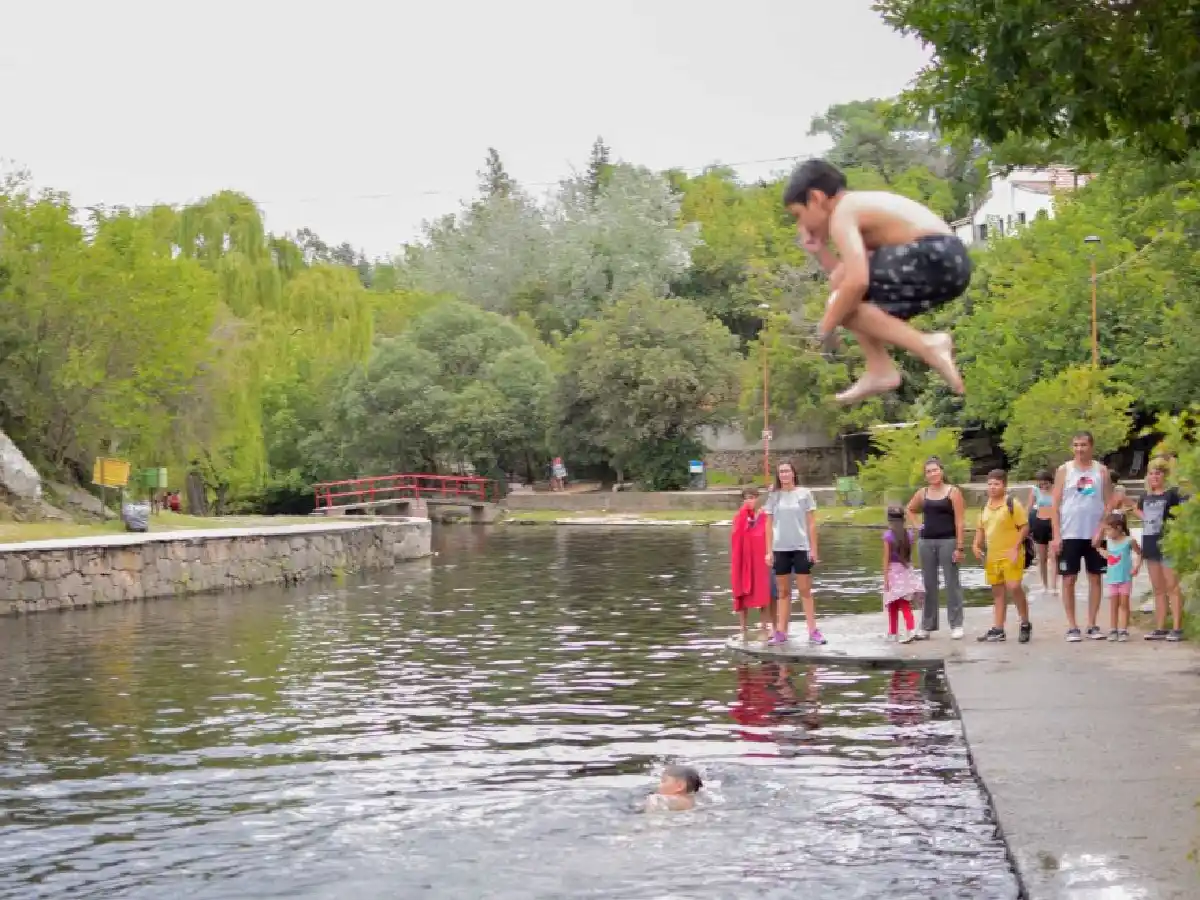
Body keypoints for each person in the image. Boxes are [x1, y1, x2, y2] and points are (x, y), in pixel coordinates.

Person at [783, 159, 971, 405]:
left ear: (816, 198)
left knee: (842, 303)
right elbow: (843, 278)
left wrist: (824, 329)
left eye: (799, 215)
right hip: (949, 265)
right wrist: (819, 251)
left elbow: (857, 282)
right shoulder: (858, 208)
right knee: (843, 299)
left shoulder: (843, 212)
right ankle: (881, 367)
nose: (801, 226)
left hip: (936, 255)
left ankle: (927, 346)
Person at [1050, 431, 1113, 642]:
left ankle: (1093, 624)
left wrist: (1101, 529)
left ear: (1091, 446)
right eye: (1076, 445)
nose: (1079, 449)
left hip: (1093, 533)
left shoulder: (1101, 471)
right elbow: (1055, 504)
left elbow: (1109, 503)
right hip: (1070, 533)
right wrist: (1056, 535)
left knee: (1095, 577)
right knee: (1069, 578)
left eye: (1083, 445)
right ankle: (1072, 626)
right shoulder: (1064, 470)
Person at [763, 460, 824, 645]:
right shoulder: (774, 496)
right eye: (781, 472)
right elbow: (768, 524)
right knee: (783, 592)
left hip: (801, 547)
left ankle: (813, 630)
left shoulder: (804, 494)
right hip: (780, 548)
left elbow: (811, 523)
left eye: (787, 471)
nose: (784, 475)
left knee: (805, 590)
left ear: (793, 473)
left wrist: (813, 549)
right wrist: (769, 551)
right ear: (778, 475)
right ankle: (781, 631)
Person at [905, 456, 966, 640]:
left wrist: (960, 546)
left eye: (935, 470)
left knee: (951, 583)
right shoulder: (922, 493)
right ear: (925, 475)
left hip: (948, 541)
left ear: (942, 471)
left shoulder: (953, 492)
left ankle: (956, 624)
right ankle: (927, 625)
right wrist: (917, 525)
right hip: (926, 542)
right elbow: (910, 509)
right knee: (928, 584)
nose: (932, 474)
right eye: (929, 471)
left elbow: (960, 521)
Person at [973, 469, 1032, 643]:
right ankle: (998, 628)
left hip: (1011, 553)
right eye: (990, 484)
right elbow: (981, 528)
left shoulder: (1011, 504)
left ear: (1004, 485)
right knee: (998, 592)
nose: (992, 487)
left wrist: (1015, 547)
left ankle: (1024, 622)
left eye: (996, 484)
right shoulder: (985, 507)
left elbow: (1024, 527)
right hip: (993, 555)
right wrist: (976, 545)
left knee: (1014, 586)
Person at [1137, 459, 1188, 641]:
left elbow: (1183, 515)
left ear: (1165, 476)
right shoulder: (1144, 497)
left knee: (1172, 586)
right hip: (1150, 544)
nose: (1154, 476)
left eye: (1158, 472)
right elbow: (1143, 518)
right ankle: (1160, 627)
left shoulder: (1172, 495)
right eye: (1151, 473)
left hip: (1168, 545)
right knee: (1158, 588)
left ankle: (1177, 627)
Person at [731, 488, 773, 644]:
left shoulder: (763, 517)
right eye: (747, 498)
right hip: (742, 560)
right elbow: (737, 537)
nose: (750, 501)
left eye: (753, 498)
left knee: (763, 594)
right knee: (741, 594)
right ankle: (743, 629)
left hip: (759, 561)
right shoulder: (739, 517)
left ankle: (764, 627)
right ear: (743, 500)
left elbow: (766, 535)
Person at [881, 506, 922, 643]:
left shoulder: (888, 536)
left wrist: (885, 578)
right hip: (906, 572)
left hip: (893, 572)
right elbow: (909, 557)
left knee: (892, 604)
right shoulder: (909, 535)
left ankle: (893, 632)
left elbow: (886, 559)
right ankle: (910, 629)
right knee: (905, 604)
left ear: (890, 520)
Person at [1099, 513, 1141, 642]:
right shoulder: (1108, 542)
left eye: (1109, 529)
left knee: (1124, 604)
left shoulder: (1129, 540)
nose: (1107, 532)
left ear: (1118, 528)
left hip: (1125, 578)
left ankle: (1123, 629)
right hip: (1112, 578)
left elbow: (1139, 553)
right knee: (1113, 604)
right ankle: (1113, 629)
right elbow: (1100, 548)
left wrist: (1136, 567)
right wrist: (1103, 552)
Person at [1027, 470, 1058, 595]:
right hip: (1040, 523)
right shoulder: (1035, 490)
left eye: (1046, 483)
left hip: (1054, 523)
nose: (1043, 486)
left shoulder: (1056, 490)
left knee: (1054, 556)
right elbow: (1029, 508)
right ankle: (1044, 584)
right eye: (1041, 484)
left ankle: (1054, 586)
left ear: (1051, 481)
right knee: (1042, 557)